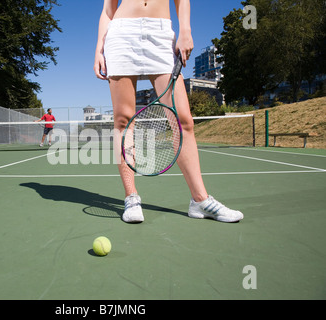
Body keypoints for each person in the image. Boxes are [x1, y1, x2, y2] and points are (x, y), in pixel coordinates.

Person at [94, 0, 243, 223]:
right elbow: (108, 10)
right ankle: (131, 198)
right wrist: (99, 48)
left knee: (183, 120)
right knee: (124, 122)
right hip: (121, 34)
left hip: (160, 33)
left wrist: (185, 30)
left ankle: (200, 200)